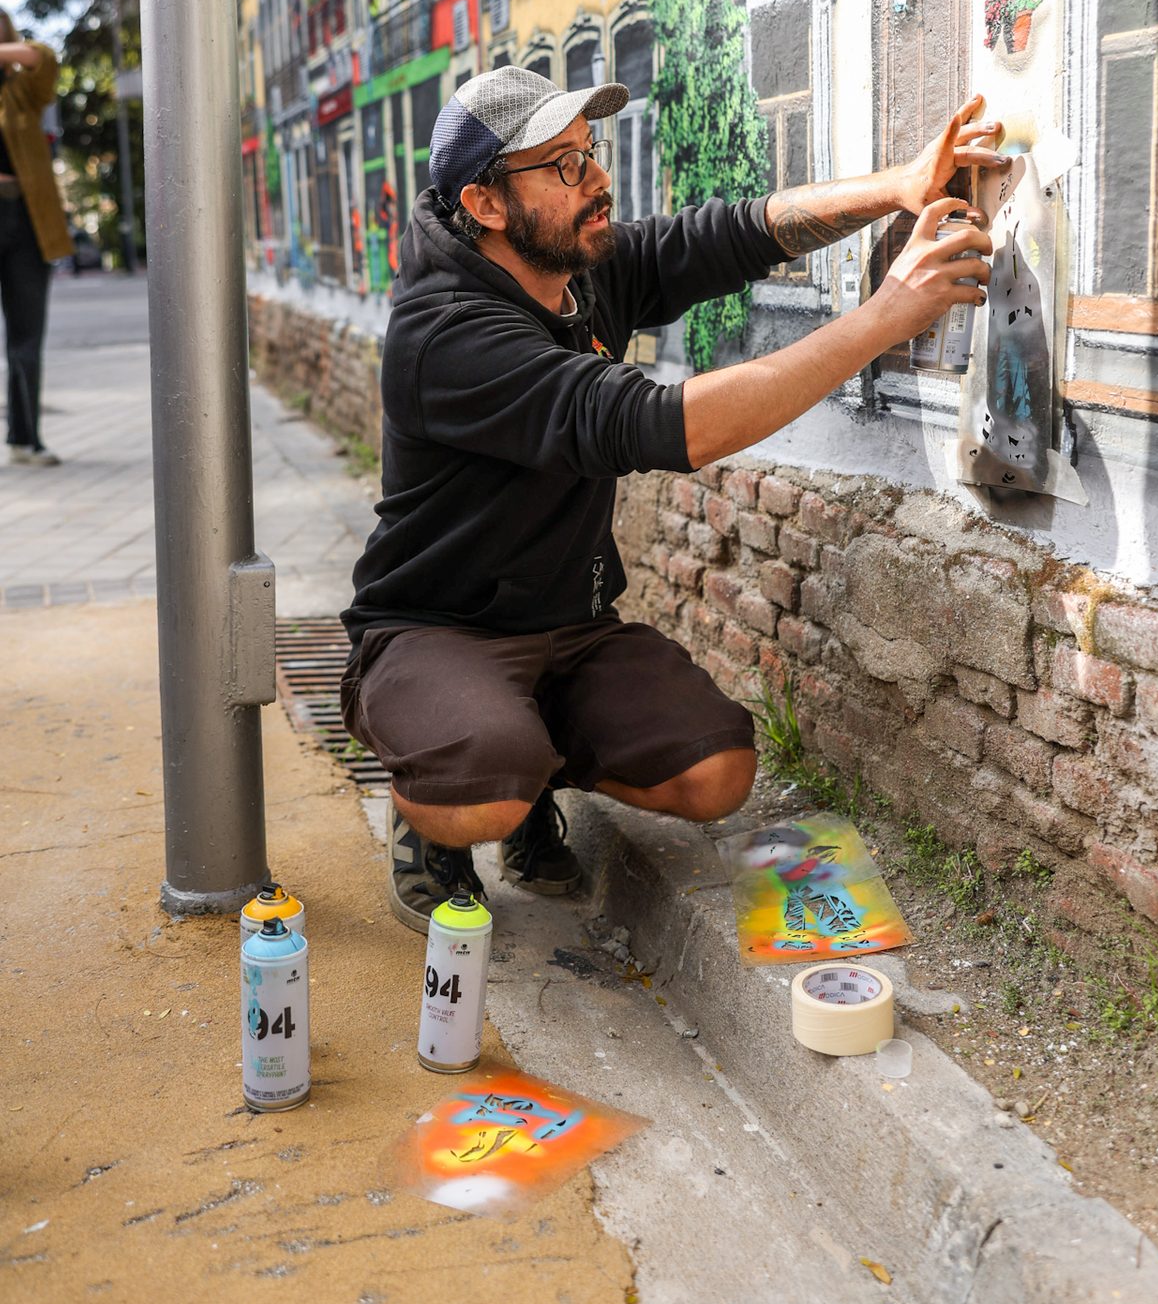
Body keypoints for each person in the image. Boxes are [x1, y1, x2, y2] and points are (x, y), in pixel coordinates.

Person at [340, 65, 1001, 932]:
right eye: (565, 166)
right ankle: (439, 797)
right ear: (488, 204)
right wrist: (885, 314)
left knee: (715, 773)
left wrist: (896, 188)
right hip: (433, 629)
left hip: (567, 629)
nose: (598, 179)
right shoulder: (446, 336)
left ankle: (521, 761)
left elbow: (731, 234)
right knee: (481, 790)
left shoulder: (576, 272)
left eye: (590, 152)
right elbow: (666, 425)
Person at [0, 12, 71, 465]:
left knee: (25, 339)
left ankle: (25, 440)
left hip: (25, 223)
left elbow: (44, 58)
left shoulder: (22, 91)